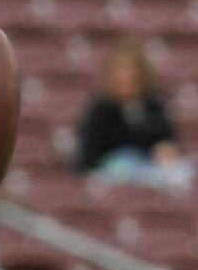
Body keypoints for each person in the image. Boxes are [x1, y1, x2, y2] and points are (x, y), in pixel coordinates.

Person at [74, 38, 191, 190]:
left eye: (131, 79)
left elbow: (166, 139)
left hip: (150, 172)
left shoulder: (154, 106)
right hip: (111, 174)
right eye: (120, 79)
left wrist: (166, 149)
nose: (126, 83)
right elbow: (87, 157)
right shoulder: (100, 110)